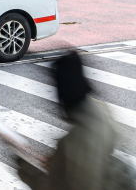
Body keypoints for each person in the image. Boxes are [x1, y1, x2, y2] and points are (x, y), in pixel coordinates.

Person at [17, 51, 126, 190]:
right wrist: (60, 162)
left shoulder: (74, 142)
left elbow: (53, 187)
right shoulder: (101, 111)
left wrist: (24, 168)